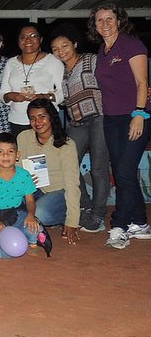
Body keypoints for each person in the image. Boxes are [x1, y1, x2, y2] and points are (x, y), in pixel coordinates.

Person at [90, 3, 151, 249]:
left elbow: (142, 82)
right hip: (111, 119)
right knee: (122, 172)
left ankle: (120, 225)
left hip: (134, 116)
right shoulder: (103, 50)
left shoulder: (131, 44)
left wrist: (139, 113)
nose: (105, 23)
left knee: (124, 171)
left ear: (119, 21)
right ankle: (141, 223)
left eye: (109, 18)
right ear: (94, 25)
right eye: (99, 19)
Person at [50, 26, 109, 233]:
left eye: (64, 46)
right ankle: (86, 206)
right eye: (55, 49)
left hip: (99, 117)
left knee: (99, 168)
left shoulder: (91, 60)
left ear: (74, 44)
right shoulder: (62, 73)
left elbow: (110, 81)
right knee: (69, 164)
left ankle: (98, 215)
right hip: (77, 122)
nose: (61, 51)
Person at [17, 98, 81, 243]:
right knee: (5, 197)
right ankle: (28, 219)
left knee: (41, 213)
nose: (37, 122)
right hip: (31, 190)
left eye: (42, 116)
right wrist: (23, 181)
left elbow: (72, 184)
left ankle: (65, 214)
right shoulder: (23, 137)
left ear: (51, 117)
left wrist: (72, 221)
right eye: (32, 118)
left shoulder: (66, 144)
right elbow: (17, 170)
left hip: (58, 192)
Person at [0, 132, 43, 258]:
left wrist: (31, 215)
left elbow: (30, 201)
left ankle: (31, 241)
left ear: (17, 155)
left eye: (10, 151)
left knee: (35, 227)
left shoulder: (24, 175)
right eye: (0, 152)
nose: (6, 155)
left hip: (17, 212)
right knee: (3, 253)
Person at [0, 23, 63, 135]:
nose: (28, 40)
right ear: (18, 41)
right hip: (17, 120)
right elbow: (2, 94)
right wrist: (12, 96)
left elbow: (63, 92)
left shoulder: (53, 61)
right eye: (23, 37)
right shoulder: (11, 63)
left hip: (45, 120)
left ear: (40, 39)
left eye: (33, 36)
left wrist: (43, 97)